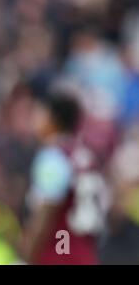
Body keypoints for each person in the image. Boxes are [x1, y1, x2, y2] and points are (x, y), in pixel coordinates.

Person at [20, 91, 109, 264]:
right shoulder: (85, 155)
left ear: (53, 118)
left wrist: (26, 252)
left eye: (40, 112)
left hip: (58, 253)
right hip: (86, 254)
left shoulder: (53, 156)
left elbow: (46, 210)